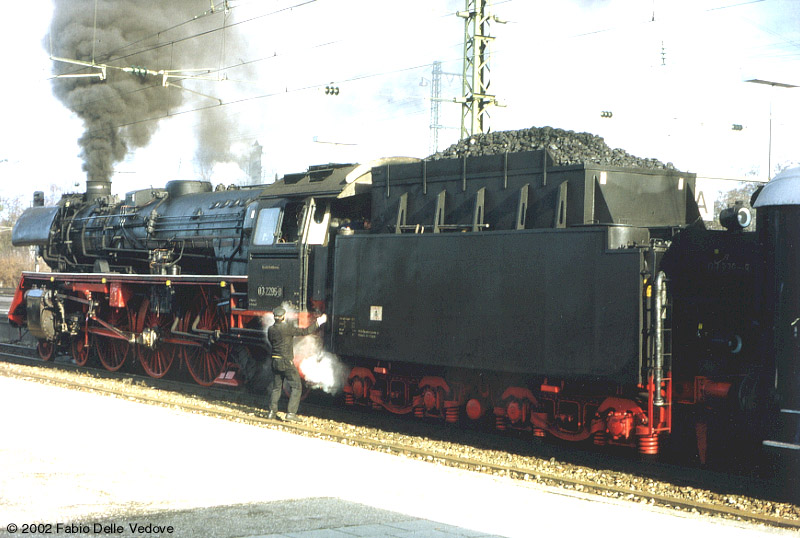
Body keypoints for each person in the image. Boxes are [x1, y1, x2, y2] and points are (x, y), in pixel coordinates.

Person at [266, 306, 327, 422]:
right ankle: (290, 414)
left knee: (276, 388)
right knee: (297, 386)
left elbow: (271, 341)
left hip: (274, 361)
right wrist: (319, 322)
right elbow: (305, 331)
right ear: (283, 317)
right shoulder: (287, 328)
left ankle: (271, 412)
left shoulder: (270, 330)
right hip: (286, 362)